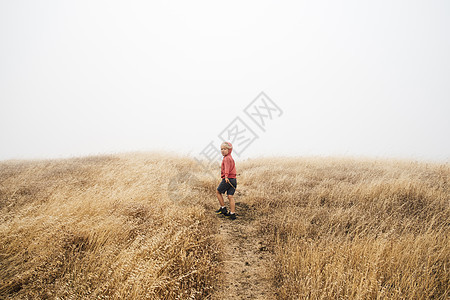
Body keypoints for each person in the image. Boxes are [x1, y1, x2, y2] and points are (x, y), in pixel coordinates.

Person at [215, 142, 237, 220]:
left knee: (218, 192)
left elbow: (227, 168)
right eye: (221, 149)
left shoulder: (226, 158)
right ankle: (232, 214)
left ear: (229, 150)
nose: (223, 151)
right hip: (234, 179)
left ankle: (223, 208)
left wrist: (226, 177)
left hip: (228, 179)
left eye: (225, 149)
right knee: (230, 196)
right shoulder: (230, 157)